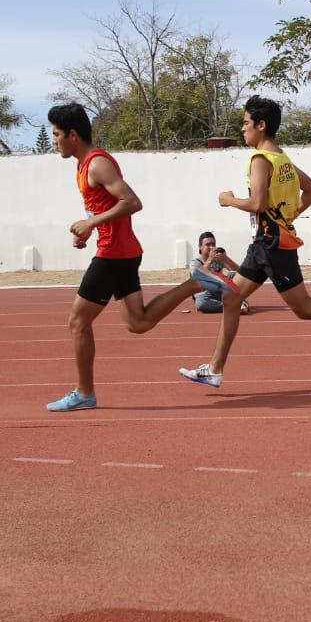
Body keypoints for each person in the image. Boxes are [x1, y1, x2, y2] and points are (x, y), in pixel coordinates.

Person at [179, 95, 311, 387]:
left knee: (305, 308)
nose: (243, 129)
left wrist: (228, 200)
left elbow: (256, 203)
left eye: (245, 123)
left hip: (271, 246)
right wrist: (288, 216)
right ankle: (215, 369)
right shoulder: (284, 161)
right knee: (231, 298)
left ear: (261, 125)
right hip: (266, 244)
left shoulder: (260, 159)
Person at [45, 102, 207, 411]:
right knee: (138, 322)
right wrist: (91, 229)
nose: (54, 140)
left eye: (56, 134)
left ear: (73, 135)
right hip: (121, 251)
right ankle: (194, 284)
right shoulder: (84, 166)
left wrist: (92, 223)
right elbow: (105, 207)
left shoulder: (97, 164)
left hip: (114, 254)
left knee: (78, 321)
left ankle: (84, 393)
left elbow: (132, 202)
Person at [191, 232, 251, 315]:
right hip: (205, 294)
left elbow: (240, 272)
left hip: (220, 291)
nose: (211, 247)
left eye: (213, 244)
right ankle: (233, 306)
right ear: (200, 247)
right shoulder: (195, 263)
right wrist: (209, 260)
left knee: (233, 274)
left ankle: (239, 303)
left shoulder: (218, 259)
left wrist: (226, 258)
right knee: (201, 303)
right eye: (207, 245)